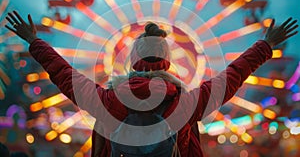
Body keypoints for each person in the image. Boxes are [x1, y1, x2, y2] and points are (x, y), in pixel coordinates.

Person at [5, 11, 298, 157]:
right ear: (168, 62)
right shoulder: (186, 105)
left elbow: (63, 73)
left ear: (134, 61)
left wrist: (34, 40)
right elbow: (232, 76)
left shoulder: (107, 101)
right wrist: (265, 45)